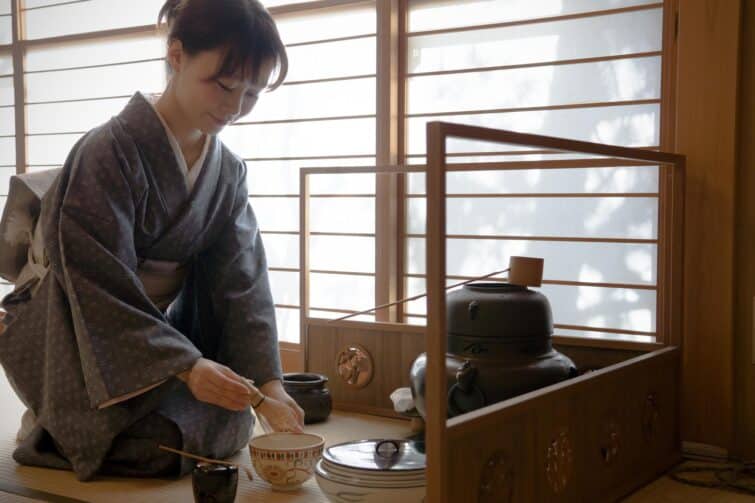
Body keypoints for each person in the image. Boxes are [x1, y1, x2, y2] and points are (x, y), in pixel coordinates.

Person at [0, 0, 304, 481]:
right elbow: (97, 284)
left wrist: (269, 385)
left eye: (251, 93)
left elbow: (242, 282)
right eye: (223, 86)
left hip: (155, 339)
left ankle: (102, 420)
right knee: (160, 443)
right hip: (76, 330)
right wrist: (185, 366)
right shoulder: (107, 153)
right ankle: (50, 423)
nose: (234, 107)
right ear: (177, 55)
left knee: (231, 413)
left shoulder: (227, 173)